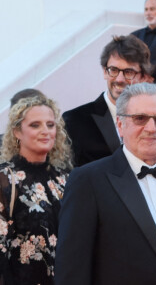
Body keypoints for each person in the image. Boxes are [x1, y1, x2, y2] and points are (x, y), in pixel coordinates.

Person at [55, 83, 156, 285]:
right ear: (120, 125)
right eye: (140, 118)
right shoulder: (88, 181)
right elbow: (72, 273)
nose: (151, 128)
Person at [0, 95, 72, 285]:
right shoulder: (5, 179)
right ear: (17, 132)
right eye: (35, 125)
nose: (45, 131)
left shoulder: (67, 179)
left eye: (50, 124)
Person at [63, 35, 153, 167]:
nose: (119, 79)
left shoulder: (154, 121)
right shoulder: (75, 120)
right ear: (105, 72)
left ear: (143, 77)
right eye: (114, 70)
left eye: (128, 72)